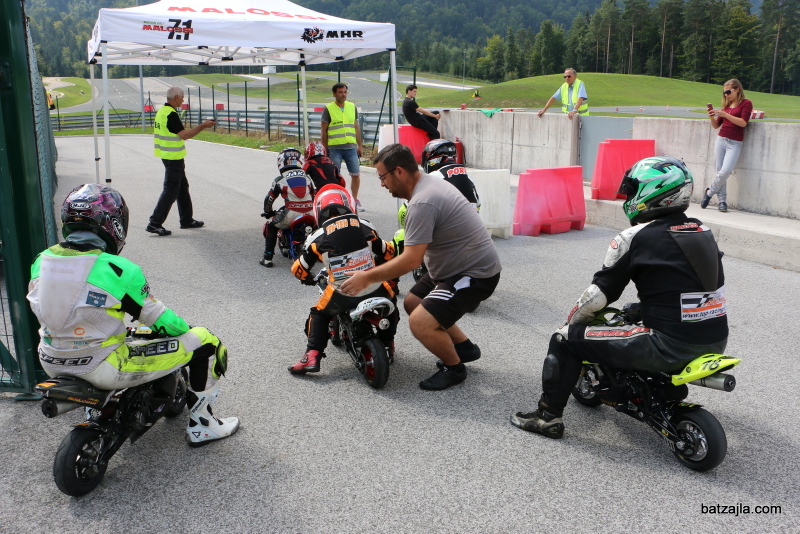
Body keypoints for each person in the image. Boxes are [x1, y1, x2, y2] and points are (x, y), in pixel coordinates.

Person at [510, 157, 728, 438]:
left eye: (633, 190)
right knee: (632, 312)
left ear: (651, 191)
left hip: (668, 345)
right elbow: (688, 286)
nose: (628, 197)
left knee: (565, 339)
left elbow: (598, 296)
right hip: (716, 338)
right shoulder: (702, 230)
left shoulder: (635, 237)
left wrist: (572, 322)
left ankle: (547, 417)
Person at [27, 183, 239, 447]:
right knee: (207, 341)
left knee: (115, 333)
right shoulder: (117, 268)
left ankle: (95, 410)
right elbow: (161, 321)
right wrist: (186, 329)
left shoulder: (42, 259)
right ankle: (204, 426)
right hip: (103, 364)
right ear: (114, 224)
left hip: (50, 359)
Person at [340, 144, 501, 391]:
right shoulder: (429, 183)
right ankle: (464, 347)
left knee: (420, 323)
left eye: (383, 177)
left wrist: (367, 277)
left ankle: (454, 368)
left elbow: (411, 260)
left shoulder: (422, 203)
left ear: (399, 171)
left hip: (474, 273)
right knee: (413, 302)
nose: (381, 184)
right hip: (452, 266)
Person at [289, 185, 399, 374]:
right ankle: (388, 342)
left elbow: (298, 270)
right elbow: (389, 252)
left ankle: (312, 356)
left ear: (318, 211)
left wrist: (308, 279)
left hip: (342, 293)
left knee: (318, 313)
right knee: (392, 302)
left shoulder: (316, 236)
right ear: (349, 205)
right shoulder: (365, 225)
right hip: (375, 286)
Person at [147, 86, 216, 236]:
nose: (183, 100)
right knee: (171, 189)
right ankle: (154, 223)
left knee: (182, 187)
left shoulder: (162, 111)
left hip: (168, 155)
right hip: (173, 157)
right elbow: (184, 135)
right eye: (182, 97)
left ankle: (186, 219)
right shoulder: (171, 114)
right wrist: (203, 126)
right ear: (176, 98)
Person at [701, 79, 753, 213]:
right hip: (721, 139)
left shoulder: (746, 103)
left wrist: (725, 115)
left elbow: (743, 123)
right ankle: (722, 201)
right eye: (724, 92)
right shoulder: (726, 106)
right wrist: (711, 117)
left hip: (735, 142)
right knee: (719, 171)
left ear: (737, 89)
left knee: (725, 171)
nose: (726, 95)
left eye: (728, 92)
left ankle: (709, 192)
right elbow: (716, 126)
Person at [260, 147, 315, 268]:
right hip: (310, 213)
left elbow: (269, 198)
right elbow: (314, 195)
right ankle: (319, 254)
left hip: (291, 213)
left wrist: (267, 211)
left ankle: (267, 257)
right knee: (316, 230)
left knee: (271, 226)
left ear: (281, 161)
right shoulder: (307, 177)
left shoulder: (280, 179)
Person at [321, 82, 364, 211]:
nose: (343, 94)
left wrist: (360, 145)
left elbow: (356, 127)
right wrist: (325, 149)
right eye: (340, 92)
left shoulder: (352, 107)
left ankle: (354, 200)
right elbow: (323, 131)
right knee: (334, 176)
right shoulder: (328, 108)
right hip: (334, 148)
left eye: (345, 92)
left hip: (351, 147)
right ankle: (336, 200)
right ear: (334, 94)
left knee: (355, 174)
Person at [421, 139, 480, 211]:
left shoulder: (434, 177)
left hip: (448, 217)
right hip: (472, 217)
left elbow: (419, 204)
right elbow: (477, 204)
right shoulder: (467, 175)